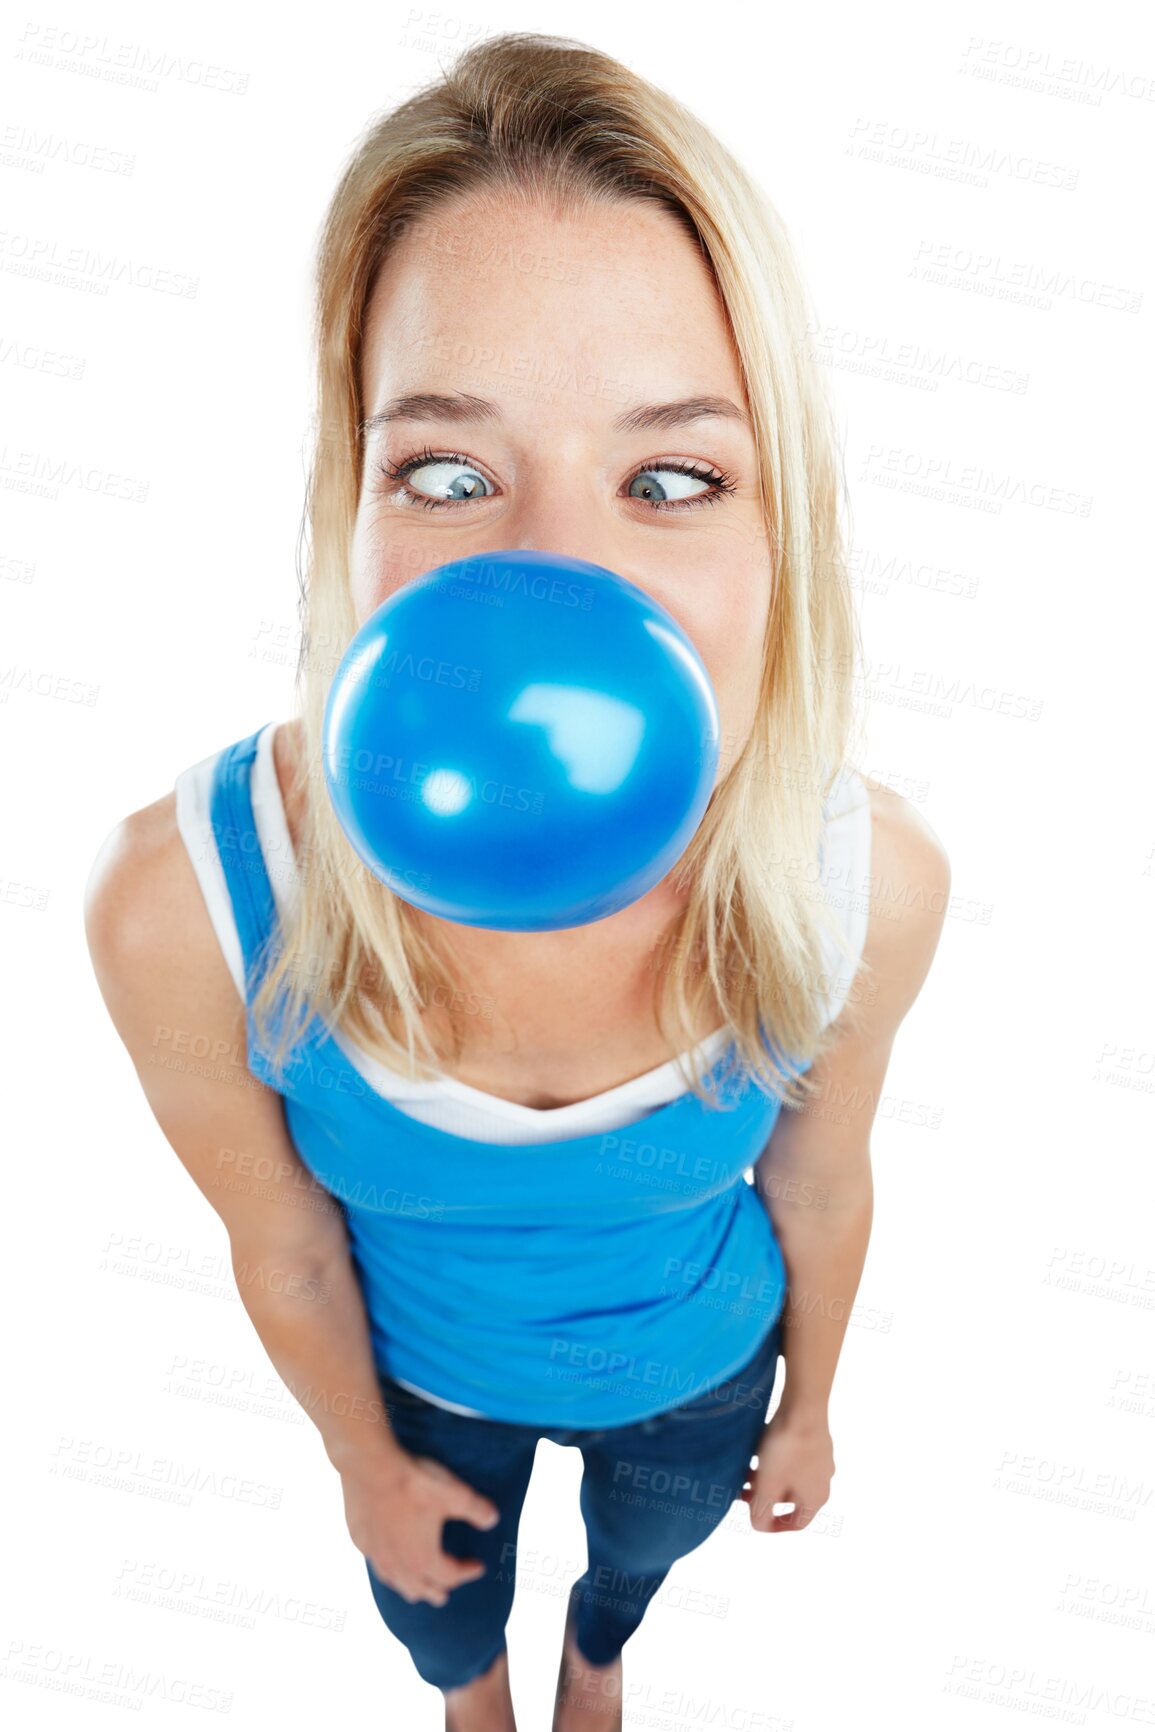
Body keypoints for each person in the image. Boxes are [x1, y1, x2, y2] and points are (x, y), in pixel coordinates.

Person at [84, 31, 950, 1732]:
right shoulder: (184, 905)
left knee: (638, 1556)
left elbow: (824, 1186)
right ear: (353, 504)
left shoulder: (870, 884)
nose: (559, 588)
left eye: (675, 477)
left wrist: (814, 1407)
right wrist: (358, 1469)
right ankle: (478, 1694)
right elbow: (287, 1250)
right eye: (452, 472)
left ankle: (600, 1656)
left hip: (698, 1381)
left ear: (786, 536)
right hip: (427, 1392)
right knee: (435, 1618)